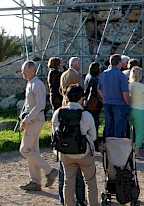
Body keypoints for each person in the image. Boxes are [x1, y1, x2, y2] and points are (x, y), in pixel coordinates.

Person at [52, 85, 100, 206]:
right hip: (83, 153)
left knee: (68, 182)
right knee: (90, 182)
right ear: (81, 99)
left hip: (65, 153)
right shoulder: (86, 115)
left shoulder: (58, 113)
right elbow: (93, 137)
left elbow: (54, 133)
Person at [17, 60, 58, 191]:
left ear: (32, 70)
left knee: (24, 149)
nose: (22, 72)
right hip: (31, 120)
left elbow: (40, 106)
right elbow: (29, 104)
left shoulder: (37, 84)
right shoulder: (31, 84)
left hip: (34, 121)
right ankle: (35, 181)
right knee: (32, 151)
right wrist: (23, 117)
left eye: (24, 70)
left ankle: (49, 171)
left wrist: (27, 119)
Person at [99, 54, 132, 139]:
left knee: (109, 126)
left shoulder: (103, 74)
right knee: (119, 128)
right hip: (119, 104)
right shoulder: (121, 76)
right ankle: (117, 148)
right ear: (119, 63)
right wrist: (128, 103)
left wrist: (104, 98)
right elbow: (125, 93)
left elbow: (99, 89)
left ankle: (109, 147)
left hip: (107, 103)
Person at [127, 67, 144, 153]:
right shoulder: (141, 86)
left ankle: (130, 146)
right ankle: (137, 149)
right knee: (140, 130)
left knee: (132, 129)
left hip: (130, 108)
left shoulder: (129, 85)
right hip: (140, 109)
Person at [82, 62, 104, 127]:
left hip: (86, 100)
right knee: (94, 120)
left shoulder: (87, 76)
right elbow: (95, 91)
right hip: (93, 102)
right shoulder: (95, 79)